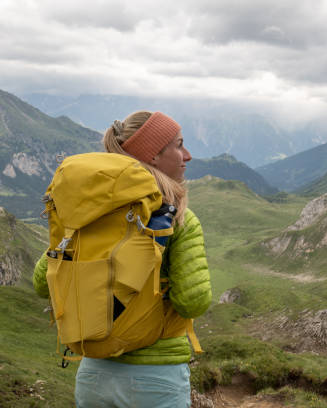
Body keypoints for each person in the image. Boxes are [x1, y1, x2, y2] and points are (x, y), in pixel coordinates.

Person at [32, 111, 211, 407]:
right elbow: (193, 301)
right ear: (153, 155)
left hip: (94, 373)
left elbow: (42, 283)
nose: (187, 155)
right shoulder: (179, 219)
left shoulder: (88, 213)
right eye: (179, 145)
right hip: (157, 379)